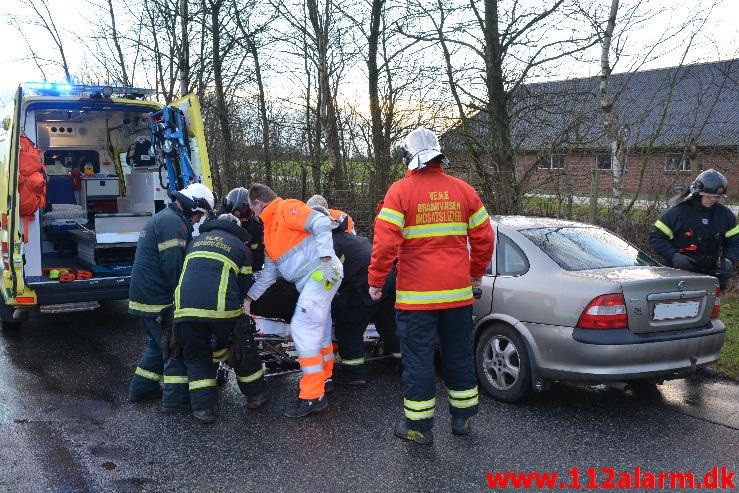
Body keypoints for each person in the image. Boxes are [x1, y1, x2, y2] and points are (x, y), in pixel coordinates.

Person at [368, 126, 494, 445]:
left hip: (416, 300)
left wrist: (376, 281)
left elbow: (384, 243)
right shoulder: (464, 191)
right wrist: (475, 273)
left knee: (419, 360)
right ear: (439, 154)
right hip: (458, 296)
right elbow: (484, 237)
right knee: (459, 356)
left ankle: (418, 428)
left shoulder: (400, 192)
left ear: (408, 157)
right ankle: (462, 420)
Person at [244, 184, 343, 418]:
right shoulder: (269, 233)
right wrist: (249, 297)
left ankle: (312, 396)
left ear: (258, 203)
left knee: (303, 327)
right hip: (315, 277)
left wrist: (327, 259)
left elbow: (320, 222)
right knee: (320, 328)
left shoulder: (286, 208)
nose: (252, 214)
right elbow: (269, 274)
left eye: (251, 209)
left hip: (321, 273)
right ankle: (325, 377)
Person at [168, 213, 267, 424]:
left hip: (185, 309)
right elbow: (244, 285)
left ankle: (203, 410)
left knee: (196, 355)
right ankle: (255, 396)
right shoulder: (241, 248)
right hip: (222, 309)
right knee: (241, 348)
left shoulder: (194, 242)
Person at [127, 182, 215, 404]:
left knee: (157, 347)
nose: (199, 220)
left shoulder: (168, 218)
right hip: (157, 301)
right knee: (173, 348)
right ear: (193, 206)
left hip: (147, 297)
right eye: (200, 215)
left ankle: (141, 389)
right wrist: (185, 297)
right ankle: (176, 400)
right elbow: (174, 267)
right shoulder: (172, 223)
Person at [311, 206, 401, 385]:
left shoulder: (328, 243)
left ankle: (355, 374)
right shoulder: (349, 238)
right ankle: (402, 362)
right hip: (388, 279)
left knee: (349, 326)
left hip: (366, 283)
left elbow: (328, 275)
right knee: (388, 323)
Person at [649, 169, 739, 292]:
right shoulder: (677, 213)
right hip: (677, 273)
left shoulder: (725, 216)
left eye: (717, 197)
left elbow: (734, 242)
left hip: (708, 274)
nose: (713, 200)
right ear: (698, 193)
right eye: (709, 196)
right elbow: (656, 238)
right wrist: (674, 256)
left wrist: (728, 259)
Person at [223, 187, 265, 273]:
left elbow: (259, 255)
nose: (251, 210)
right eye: (246, 207)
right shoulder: (223, 224)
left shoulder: (255, 227)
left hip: (247, 272)